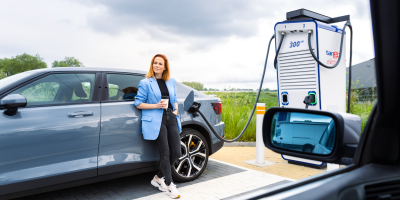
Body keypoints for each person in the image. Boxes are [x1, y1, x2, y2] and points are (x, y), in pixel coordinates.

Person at [134, 54, 182, 199]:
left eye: (160, 63)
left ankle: (158, 177)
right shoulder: (145, 83)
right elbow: (138, 103)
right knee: (165, 153)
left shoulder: (171, 81)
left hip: (171, 117)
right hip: (156, 118)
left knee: (177, 153)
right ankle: (169, 184)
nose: (157, 66)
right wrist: (156, 105)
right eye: (155, 63)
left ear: (165, 67)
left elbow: (175, 99)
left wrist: (176, 110)